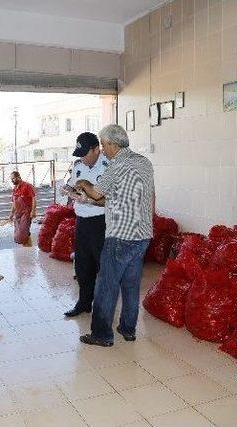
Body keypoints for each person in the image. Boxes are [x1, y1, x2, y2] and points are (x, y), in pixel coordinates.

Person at [75, 124, 154, 347]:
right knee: (131, 285)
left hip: (120, 236)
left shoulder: (116, 165)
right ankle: (128, 329)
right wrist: (89, 200)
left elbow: (97, 191)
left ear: (111, 144)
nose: (103, 149)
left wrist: (83, 183)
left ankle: (101, 334)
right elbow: (118, 197)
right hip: (142, 235)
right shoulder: (144, 162)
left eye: (103, 145)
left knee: (106, 286)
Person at [62, 132, 108, 317]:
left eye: (84, 153)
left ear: (96, 149)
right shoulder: (79, 166)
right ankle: (84, 303)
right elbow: (73, 185)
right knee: (82, 266)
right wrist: (68, 190)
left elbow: (108, 197)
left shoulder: (108, 167)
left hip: (101, 222)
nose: (81, 157)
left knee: (102, 267)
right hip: (81, 221)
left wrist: (89, 198)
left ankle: (103, 307)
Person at [9, 171, 36, 246]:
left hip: (26, 213)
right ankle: (27, 248)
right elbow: (14, 203)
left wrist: (33, 211)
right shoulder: (15, 188)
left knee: (24, 231)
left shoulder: (27, 186)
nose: (12, 180)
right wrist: (11, 213)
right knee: (19, 232)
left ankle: (28, 249)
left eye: (13, 178)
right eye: (11, 179)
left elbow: (33, 198)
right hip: (18, 214)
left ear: (19, 177)